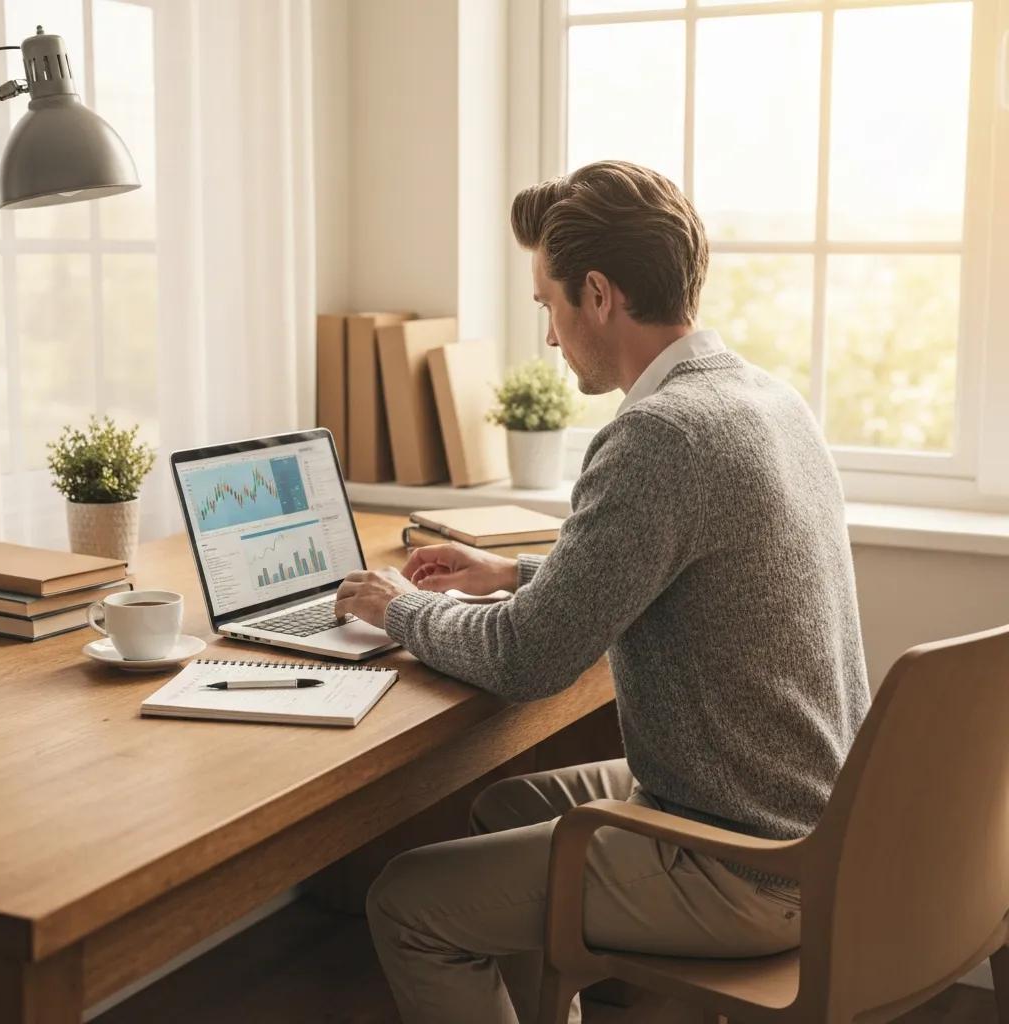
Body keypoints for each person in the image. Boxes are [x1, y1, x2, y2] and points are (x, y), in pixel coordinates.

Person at [334, 160, 870, 1024]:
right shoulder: (764, 399)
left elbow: (528, 657)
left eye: (546, 304)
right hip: (815, 826)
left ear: (596, 294)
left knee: (407, 903)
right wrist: (513, 574)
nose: (547, 334)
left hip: (742, 864)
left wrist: (399, 608)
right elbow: (689, 570)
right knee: (503, 806)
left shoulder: (659, 434)